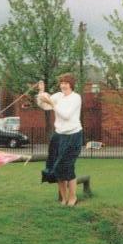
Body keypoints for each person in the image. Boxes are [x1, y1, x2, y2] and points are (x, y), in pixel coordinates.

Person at [36, 73, 83, 206]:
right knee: (55, 168)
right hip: (58, 136)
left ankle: (72, 198)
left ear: (71, 85)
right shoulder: (57, 96)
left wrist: (51, 102)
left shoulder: (76, 98)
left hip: (73, 136)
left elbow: (66, 115)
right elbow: (44, 105)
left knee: (67, 167)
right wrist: (41, 92)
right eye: (61, 83)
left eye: (66, 83)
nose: (63, 85)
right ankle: (63, 199)